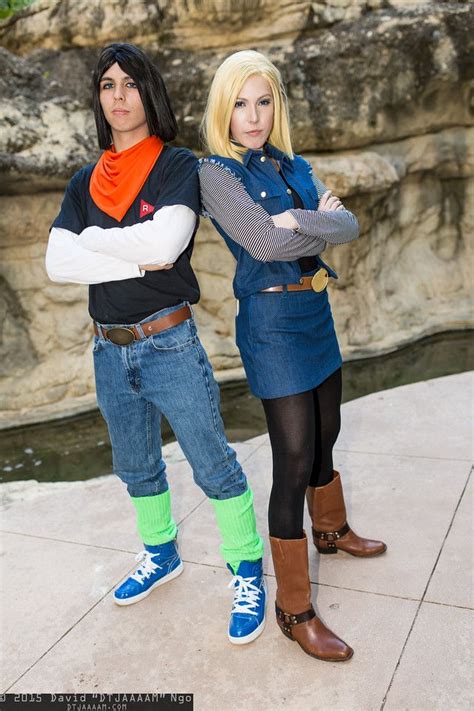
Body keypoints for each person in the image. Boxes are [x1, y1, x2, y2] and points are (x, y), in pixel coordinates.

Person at [45, 43, 266, 646]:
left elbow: (165, 247)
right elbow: (56, 262)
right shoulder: (83, 180)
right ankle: (161, 553)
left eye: (131, 84)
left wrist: (92, 242)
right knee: (135, 466)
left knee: (213, 463)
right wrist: (127, 250)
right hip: (107, 348)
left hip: (167, 342)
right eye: (108, 85)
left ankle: (246, 569)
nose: (119, 97)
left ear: (150, 93)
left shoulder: (177, 166)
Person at [199, 50, 386, 662]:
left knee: (328, 431)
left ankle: (330, 530)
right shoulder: (216, 174)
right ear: (223, 113)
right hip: (271, 321)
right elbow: (264, 240)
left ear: (275, 104)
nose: (252, 116)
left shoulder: (295, 164)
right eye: (240, 104)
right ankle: (293, 608)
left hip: (315, 310)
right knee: (294, 455)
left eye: (263, 101)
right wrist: (314, 224)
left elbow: (350, 224)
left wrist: (299, 218)